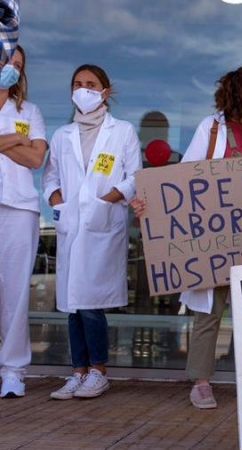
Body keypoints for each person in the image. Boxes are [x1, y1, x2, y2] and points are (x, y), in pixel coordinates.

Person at [131, 65, 242, 409]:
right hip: (215, 240)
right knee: (209, 313)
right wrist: (151, 202)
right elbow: (184, 177)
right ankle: (201, 382)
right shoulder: (211, 129)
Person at [43, 64, 142, 400]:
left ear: (105, 92)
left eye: (91, 84)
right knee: (72, 303)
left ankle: (98, 371)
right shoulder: (62, 135)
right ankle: (78, 372)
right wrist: (59, 205)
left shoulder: (123, 131)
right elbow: (50, 179)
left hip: (103, 225)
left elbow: (133, 177)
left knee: (90, 304)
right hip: (72, 226)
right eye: (77, 84)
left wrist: (105, 200)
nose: (83, 89)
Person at [0, 45, 46, 398]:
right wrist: (17, 138)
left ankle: (13, 370)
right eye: (6, 62)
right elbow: (26, 148)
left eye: (18, 65)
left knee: (15, 293)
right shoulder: (22, 124)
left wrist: (9, 141)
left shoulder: (30, 110)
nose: (11, 69)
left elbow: (35, 159)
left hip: (20, 209)